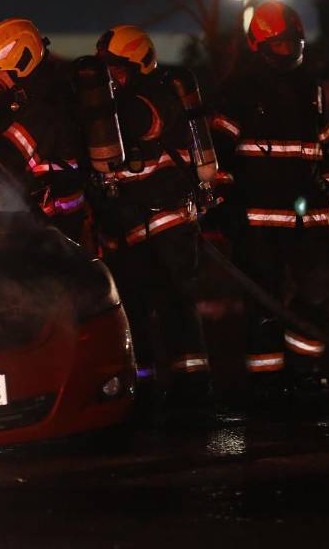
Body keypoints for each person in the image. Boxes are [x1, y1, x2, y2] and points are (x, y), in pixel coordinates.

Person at [210, 0, 329, 400]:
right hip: (257, 220)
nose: (287, 51)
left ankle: (303, 368)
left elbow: (324, 149)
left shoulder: (311, 88)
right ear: (258, 44)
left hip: (309, 218)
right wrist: (226, 207)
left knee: (319, 291)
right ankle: (266, 379)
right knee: (263, 304)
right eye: (279, 44)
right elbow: (219, 153)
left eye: (293, 44)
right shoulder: (236, 90)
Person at [89, 25, 218, 408]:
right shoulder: (121, 102)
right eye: (106, 70)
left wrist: (89, 105)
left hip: (168, 222)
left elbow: (138, 125)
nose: (111, 77)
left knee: (177, 306)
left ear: (138, 65)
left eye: (117, 69)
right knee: (136, 311)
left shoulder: (153, 98)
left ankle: (193, 392)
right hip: (133, 225)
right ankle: (144, 391)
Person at [0, 18, 90, 245]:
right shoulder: (23, 108)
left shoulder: (44, 113)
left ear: (20, 71)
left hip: (55, 240)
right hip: (37, 234)